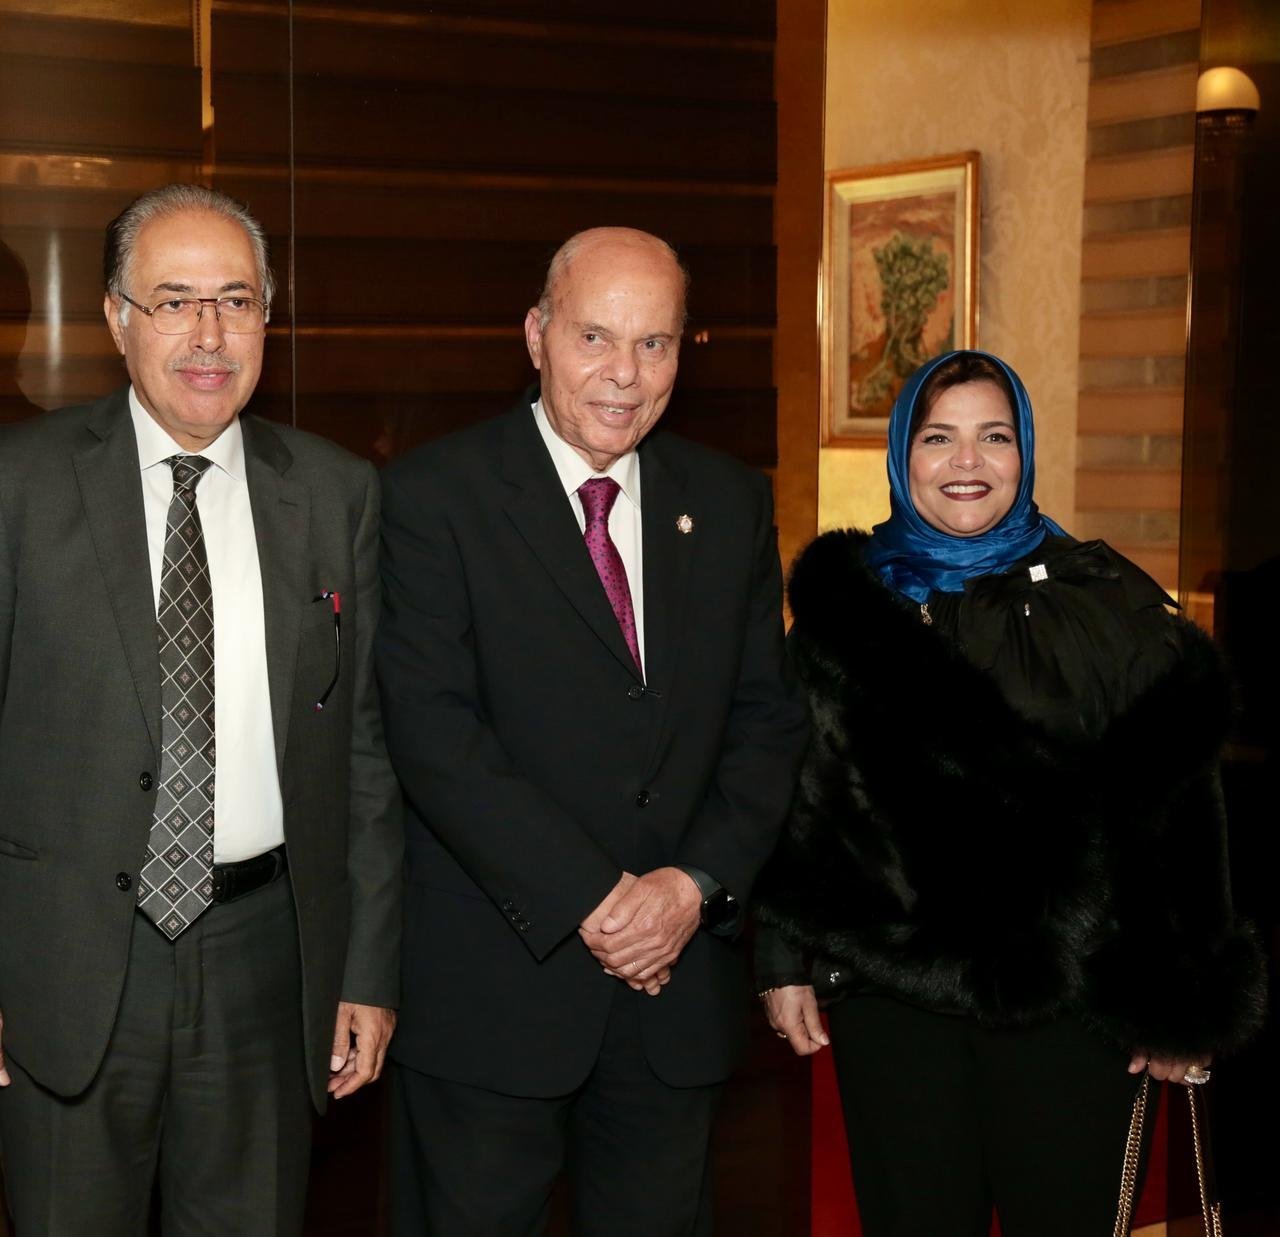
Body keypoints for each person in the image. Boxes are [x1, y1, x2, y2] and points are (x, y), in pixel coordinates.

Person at [754, 349, 1266, 1236]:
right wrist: (781, 958)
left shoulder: (1104, 604)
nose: (967, 462)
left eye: (994, 436)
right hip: (892, 999)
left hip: (1067, 1007)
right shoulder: (847, 608)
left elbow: (1180, 805)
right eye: (938, 437)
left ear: (1025, 450)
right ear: (902, 455)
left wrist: (1182, 1000)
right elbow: (798, 789)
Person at [377, 226, 808, 1235]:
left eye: (655, 343)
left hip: (674, 996)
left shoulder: (729, 502)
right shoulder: (431, 497)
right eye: (594, 337)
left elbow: (767, 721)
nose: (625, 373)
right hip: (493, 995)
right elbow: (434, 733)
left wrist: (689, 888)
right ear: (536, 334)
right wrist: (602, 902)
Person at [0, 184, 403, 1235]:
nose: (209, 334)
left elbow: (364, 752)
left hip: (268, 964)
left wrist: (365, 970)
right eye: (174, 301)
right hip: (63, 966)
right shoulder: (19, 485)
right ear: (115, 318)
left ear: (268, 317)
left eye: (236, 300)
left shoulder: (334, 493)